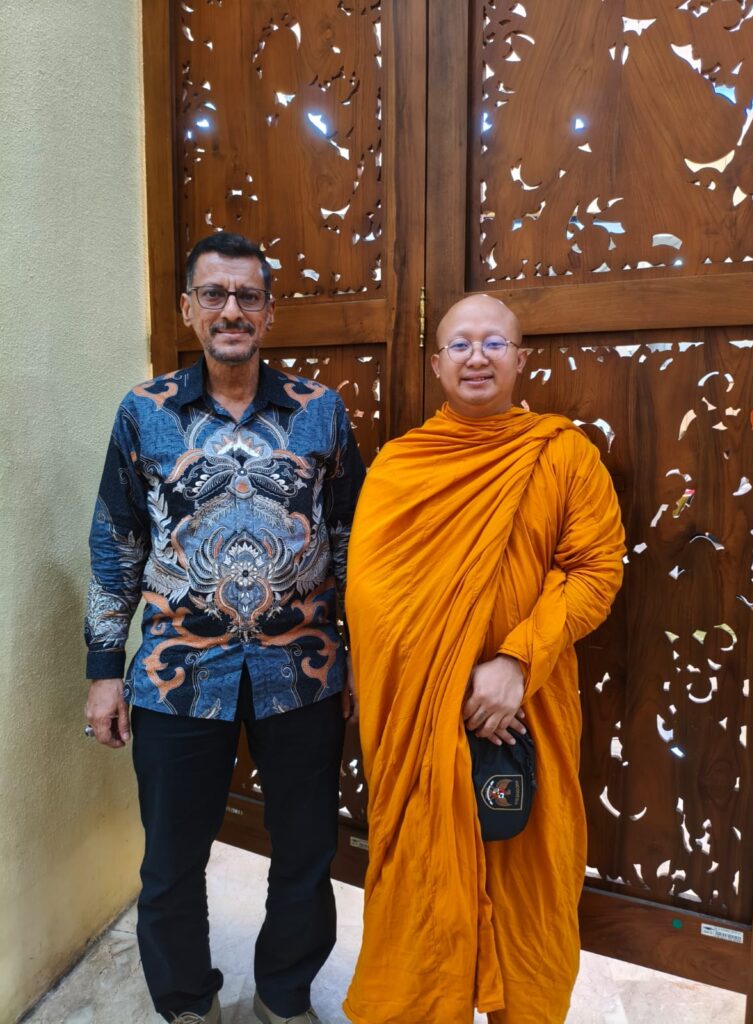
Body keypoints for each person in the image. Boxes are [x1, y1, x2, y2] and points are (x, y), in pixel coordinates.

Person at [84, 231, 365, 1024]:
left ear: (269, 313)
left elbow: (353, 544)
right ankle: (185, 1004)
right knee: (173, 861)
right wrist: (104, 669)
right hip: (176, 671)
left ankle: (283, 997)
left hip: (303, 671)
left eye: (247, 296)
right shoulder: (143, 412)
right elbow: (116, 542)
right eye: (215, 294)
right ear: (189, 309)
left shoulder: (320, 411)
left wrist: (362, 660)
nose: (231, 310)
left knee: (306, 853)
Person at [343, 294, 625, 1024]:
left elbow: (597, 571)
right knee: (421, 883)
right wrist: (442, 687)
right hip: (422, 725)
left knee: (530, 884)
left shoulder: (563, 455)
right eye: (460, 345)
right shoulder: (400, 465)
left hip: (528, 710)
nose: (477, 357)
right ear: (436, 364)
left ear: (520, 359)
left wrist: (517, 662)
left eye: (494, 343)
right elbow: (371, 597)